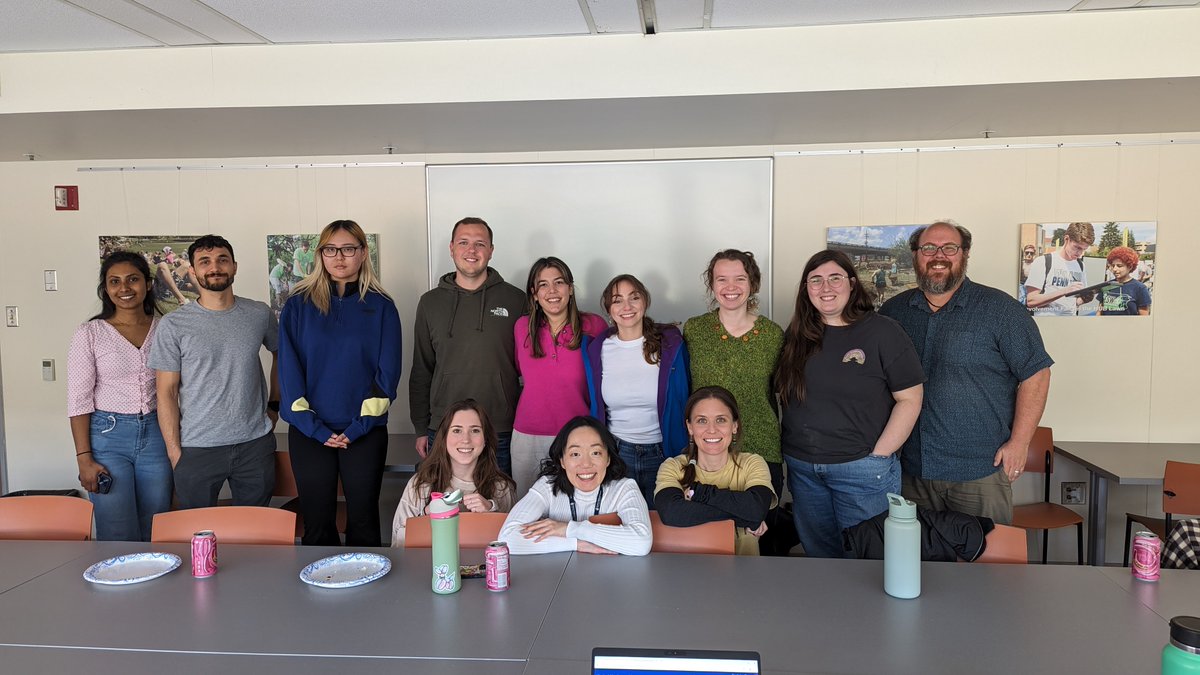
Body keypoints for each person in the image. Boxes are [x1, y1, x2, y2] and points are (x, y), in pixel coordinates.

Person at [880, 221, 1053, 525]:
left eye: (949, 248)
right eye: (929, 248)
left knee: (986, 568)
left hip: (979, 472)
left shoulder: (1001, 311)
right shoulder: (893, 313)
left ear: (965, 254)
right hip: (910, 470)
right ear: (915, 255)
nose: (939, 255)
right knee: (914, 564)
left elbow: (1036, 374)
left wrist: (1020, 442)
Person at [776, 250, 925, 558]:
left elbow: (910, 398)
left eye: (835, 278)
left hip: (862, 469)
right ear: (806, 289)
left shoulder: (883, 332)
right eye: (815, 280)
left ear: (853, 284)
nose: (825, 287)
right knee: (821, 556)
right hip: (804, 469)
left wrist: (879, 456)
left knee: (867, 560)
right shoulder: (797, 335)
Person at [279, 220, 402, 546]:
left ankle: (368, 592)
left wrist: (358, 428)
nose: (339, 257)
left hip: (364, 432)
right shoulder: (297, 306)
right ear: (320, 254)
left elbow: (387, 376)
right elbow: (289, 375)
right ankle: (322, 592)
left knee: (363, 519)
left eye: (348, 249)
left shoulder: (382, 307)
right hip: (309, 433)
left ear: (362, 253)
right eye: (330, 249)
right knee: (317, 521)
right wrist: (316, 429)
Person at [149, 234, 280, 509]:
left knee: (254, 533)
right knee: (197, 534)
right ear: (193, 271)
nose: (215, 267)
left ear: (234, 266)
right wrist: (175, 453)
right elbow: (166, 392)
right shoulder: (174, 325)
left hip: (254, 445)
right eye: (205, 261)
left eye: (222, 260)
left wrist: (274, 407)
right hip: (197, 447)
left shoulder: (259, 314)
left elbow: (282, 357)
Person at [67, 252, 172, 541]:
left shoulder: (165, 328)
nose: (124, 288)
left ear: (147, 284)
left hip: (157, 434)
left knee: (158, 524)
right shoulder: (90, 333)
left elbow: (178, 387)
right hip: (108, 436)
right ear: (106, 289)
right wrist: (84, 458)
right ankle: (121, 584)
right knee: (115, 527)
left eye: (132, 280)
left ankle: (157, 587)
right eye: (115, 281)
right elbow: (79, 399)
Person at [410, 217, 525, 475]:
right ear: (451, 248)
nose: (471, 251)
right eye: (463, 242)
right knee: (442, 508)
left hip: (500, 428)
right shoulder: (430, 303)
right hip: (444, 428)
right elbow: (421, 369)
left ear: (491, 251)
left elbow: (530, 370)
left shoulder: (517, 300)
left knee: (498, 507)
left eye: (479, 244)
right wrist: (420, 428)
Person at [683, 250, 784, 495]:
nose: (731, 287)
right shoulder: (694, 330)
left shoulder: (773, 335)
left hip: (761, 450)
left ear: (753, 283)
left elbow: (781, 391)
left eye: (740, 278)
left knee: (759, 529)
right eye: (722, 279)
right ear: (712, 284)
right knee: (709, 530)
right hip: (708, 452)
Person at [584, 274, 690, 505]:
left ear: (645, 301)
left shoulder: (671, 344)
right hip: (617, 454)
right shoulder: (596, 349)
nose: (627, 307)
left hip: (664, 453)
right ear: (608, 308)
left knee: (664, 525)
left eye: (634, 297)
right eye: (617, 300)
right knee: (620, 525)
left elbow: (684, 398)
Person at [511, 257, 608, 495]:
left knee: (578, 504)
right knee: (527, 505)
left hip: (579, 434)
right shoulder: (522, 327)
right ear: (534, 293)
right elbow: (520, 371)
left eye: (559, 282)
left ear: (570, 288)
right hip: (528, 435)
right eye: (543, 285)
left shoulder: (594, 325)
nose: (552, 291)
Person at [498, 416, 652, 556]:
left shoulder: (624, 488)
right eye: (575, 454)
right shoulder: (547, 486)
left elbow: (642, 543)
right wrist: (576, 544)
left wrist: (568, 529)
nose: (586, 464)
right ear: (562, 461)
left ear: (608, 459)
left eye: (595, 453)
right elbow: (507, 538)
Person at [654, 386, 775, 555]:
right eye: (702, 420)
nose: (712, 429)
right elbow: (671, 514)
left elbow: (755, 509)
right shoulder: (673, 467)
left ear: (734, 426)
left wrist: (701, 493)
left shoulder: (752, 463)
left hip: (744, 576)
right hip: (689, 576)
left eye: (721, 420)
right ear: (690, 427)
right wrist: (742, 518)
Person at [390, 400, 517, 546]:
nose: (465, 440)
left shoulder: (502, 488)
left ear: (486, 439)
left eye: (475, 430)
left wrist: (491, 510)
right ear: (443, 438)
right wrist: (425, 515)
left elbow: (514, 548)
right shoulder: (420, 484)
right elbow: (398, 544)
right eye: (457, 430)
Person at [1025, 222, 1096, 316]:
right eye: (1077, 247)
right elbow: (1031, 301)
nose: (1080, 253)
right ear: (1066, 239)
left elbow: (1074, 303)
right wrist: (1064, 291)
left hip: (1069, 324)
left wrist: (1083, 299)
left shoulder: (1080, 265)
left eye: (1083, 249)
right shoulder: (1043, 261)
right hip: (1046, 324)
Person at [1097, 246, 1151, 316]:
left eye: (1119, 266)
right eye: (1113, 266)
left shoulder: (1140, 288)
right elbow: (1099, 311)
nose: (1114, 269)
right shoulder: (1106, 285)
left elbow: (1144, 317)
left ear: (1130, 267)